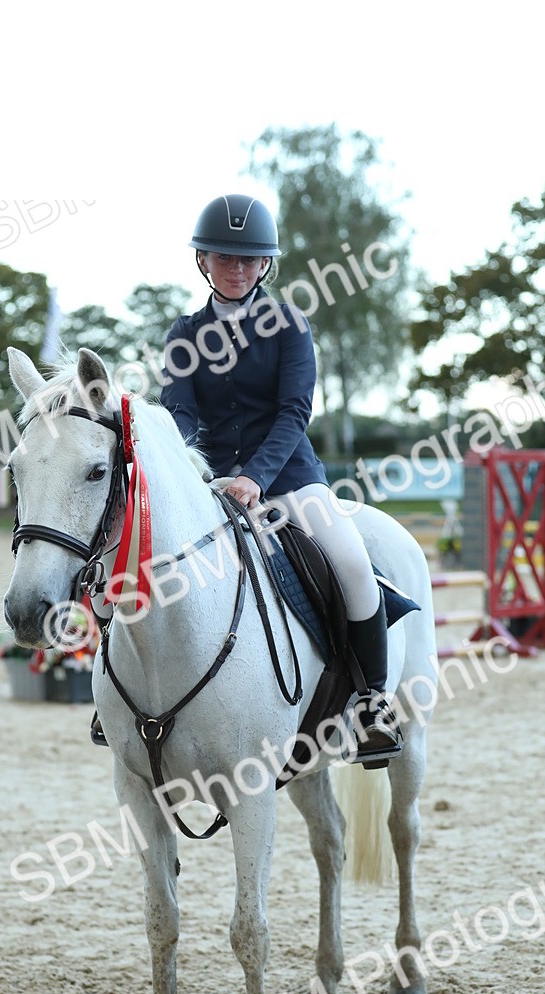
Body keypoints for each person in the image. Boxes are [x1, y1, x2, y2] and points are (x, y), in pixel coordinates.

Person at [157, 193, 403, 762]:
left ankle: (371, 701)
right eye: (224, 257)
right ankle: (121, 700)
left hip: (289, 478)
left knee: (352, 564)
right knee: (146, 560)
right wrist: (196, 473)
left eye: (248, 259)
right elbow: (179, 413)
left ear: (265, 263)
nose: (236, 269)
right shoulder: (184, 333)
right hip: (209, 484)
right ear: (203, 260)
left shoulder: (289, 325)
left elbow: (294, 411)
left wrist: (255, 477)